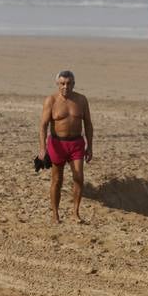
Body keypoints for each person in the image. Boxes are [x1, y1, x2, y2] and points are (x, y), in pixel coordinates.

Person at [38, 70, 93, 224]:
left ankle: (75, 213)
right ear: (58, 84)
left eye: (69, 83)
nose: (65, 86)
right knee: (57, 180)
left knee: (79, 178)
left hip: (76, 144)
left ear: (74, 84)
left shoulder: (81, 100)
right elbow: (43, 125)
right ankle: (55, 215)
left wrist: (90, 146)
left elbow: (88, 124)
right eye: (62, 83)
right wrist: (43, 148)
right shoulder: (51, 100)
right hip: (57, 144)